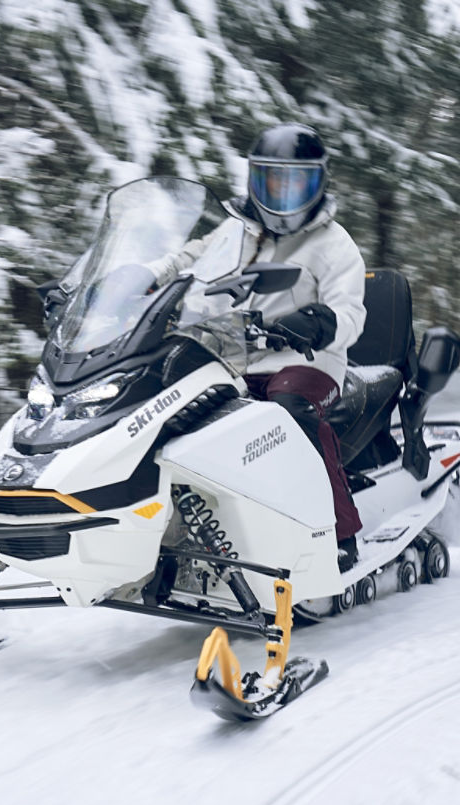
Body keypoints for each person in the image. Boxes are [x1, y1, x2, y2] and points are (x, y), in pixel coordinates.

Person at [147, 123, 367, 570]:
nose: (283, 193)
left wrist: (321, 323)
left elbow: (352, 316)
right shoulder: (236, 229)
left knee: (289, 413)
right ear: (255, 179)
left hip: (307, 362)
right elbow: (188, 260)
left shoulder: (333, 243)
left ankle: (338, 532)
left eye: (295, 182)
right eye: (273, 180)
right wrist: (142, 276)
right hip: (232, 358)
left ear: (317, 182)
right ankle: (178, 531)